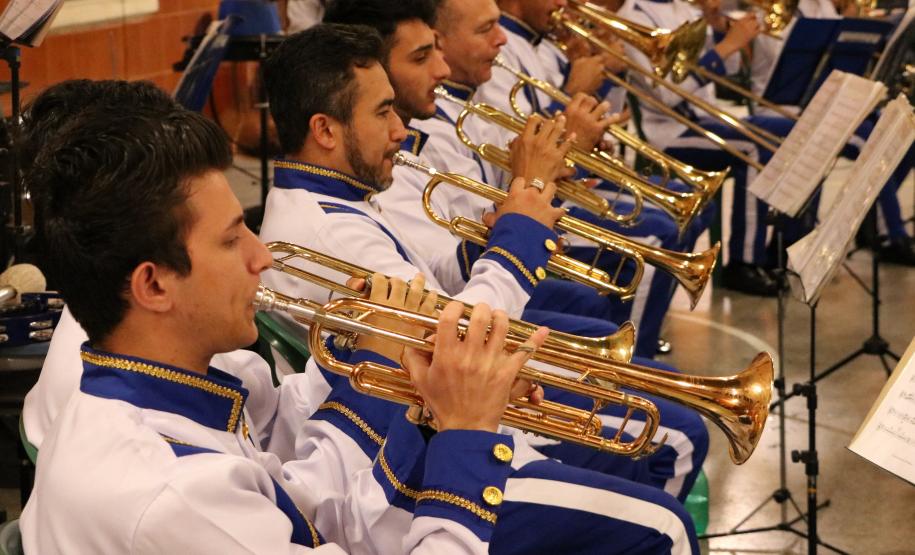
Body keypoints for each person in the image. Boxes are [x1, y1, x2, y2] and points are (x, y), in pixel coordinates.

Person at [20, 81, 536, 553]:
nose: (261, 256)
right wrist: (467, 436)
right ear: (153, 285)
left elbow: (306, 514)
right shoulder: (173, 490)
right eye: (231, 238)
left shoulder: (153, 395)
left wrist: (428, 401)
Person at [257, 22, 701, 555]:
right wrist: (517, 242)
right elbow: (454, 337)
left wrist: (497, 233)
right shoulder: (328, 226)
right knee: (669, 476)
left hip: (424, 430)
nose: (399, 129)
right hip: (411, 470)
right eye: (382, 113)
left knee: (653, 403)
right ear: (326, 131)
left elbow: (439, 288)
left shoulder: (342, 198)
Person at [617, 0, 798, 296]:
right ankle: (743, 262)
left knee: (791, 132)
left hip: (705, 117)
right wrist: (725, 46)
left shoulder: (685, 10)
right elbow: (667, 94)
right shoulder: (635, 16)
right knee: (754, 151)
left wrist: (718, 30)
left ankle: (780, 249)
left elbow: (726, 70)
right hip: (670, 130)